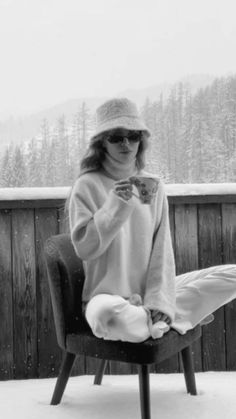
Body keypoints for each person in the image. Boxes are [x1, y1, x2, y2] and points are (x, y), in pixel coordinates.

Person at [69, 97, 236, 343]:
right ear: (102, 143)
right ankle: (163, 319)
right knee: (107, 315)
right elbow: (85, 249)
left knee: (232, 275)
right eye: (116, 137)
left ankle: (158, 315)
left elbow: (161, 251)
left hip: (150, 294)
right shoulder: (87, 185)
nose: (126, 143)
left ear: (141, 140)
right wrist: (115, 206)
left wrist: (159, 300)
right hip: (106, 298)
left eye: (133, 135)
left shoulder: (150, 185)